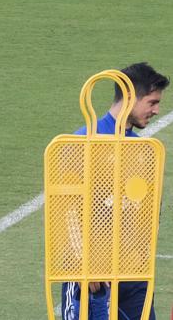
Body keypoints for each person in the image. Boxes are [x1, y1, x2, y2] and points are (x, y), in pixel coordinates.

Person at [61, 62, 169, 320]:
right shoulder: (83, 142)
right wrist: (84, 264)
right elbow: (66, 212)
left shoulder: (145, 150)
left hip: (134, 276)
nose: (157, 110)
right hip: (91, 276)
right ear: (130, 97)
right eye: (152, 102)